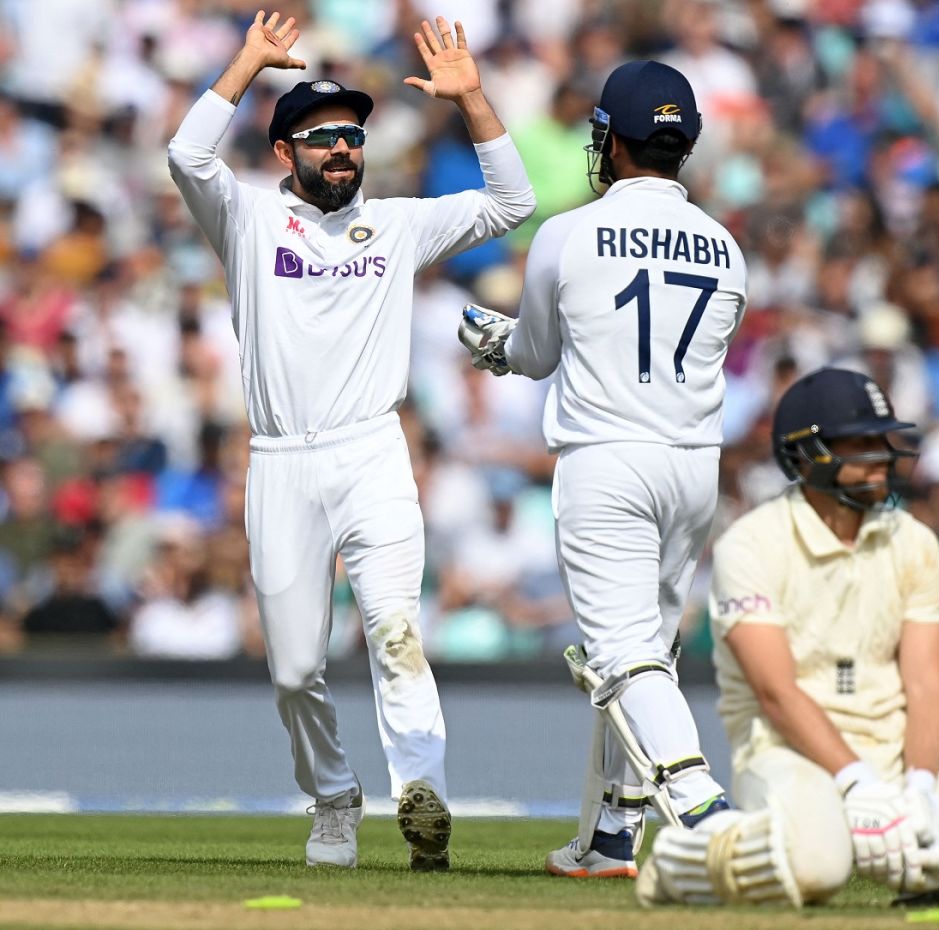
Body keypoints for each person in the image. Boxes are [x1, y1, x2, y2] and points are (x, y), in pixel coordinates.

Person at [167, 11, 535, 870]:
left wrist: (472, 97)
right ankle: (334, 798)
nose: (342, 149)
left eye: (352, 137)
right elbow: (186, 157)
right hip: (282, 460)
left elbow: (512, 202)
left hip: (373, 452)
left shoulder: (398, 225)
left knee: (395, 630)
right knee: (296, 670)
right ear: (286, 151)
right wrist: (247, 63)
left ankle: (424, 797)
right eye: (322, 137)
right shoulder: (248, 223)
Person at [640, 367, 939, 907]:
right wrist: (856, 783)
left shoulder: (913, 542)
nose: (880, 457)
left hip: (902, 758)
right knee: (816, 866)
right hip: (787, 755)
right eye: (861, 443)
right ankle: (689, 857)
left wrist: (919, 789)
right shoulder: (750, 545)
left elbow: (927, 685)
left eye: (882, 440)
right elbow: (776, 692)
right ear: (805, 454)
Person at [459, 61, 747, 878]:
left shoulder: (568, 232)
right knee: (645, 654)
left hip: (607, 459)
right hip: (694, 467)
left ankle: (702, 809)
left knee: (621, 653)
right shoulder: (726, 248)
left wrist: (495, 347)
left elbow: (538, 352)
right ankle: (609, 837)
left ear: (611, 141)